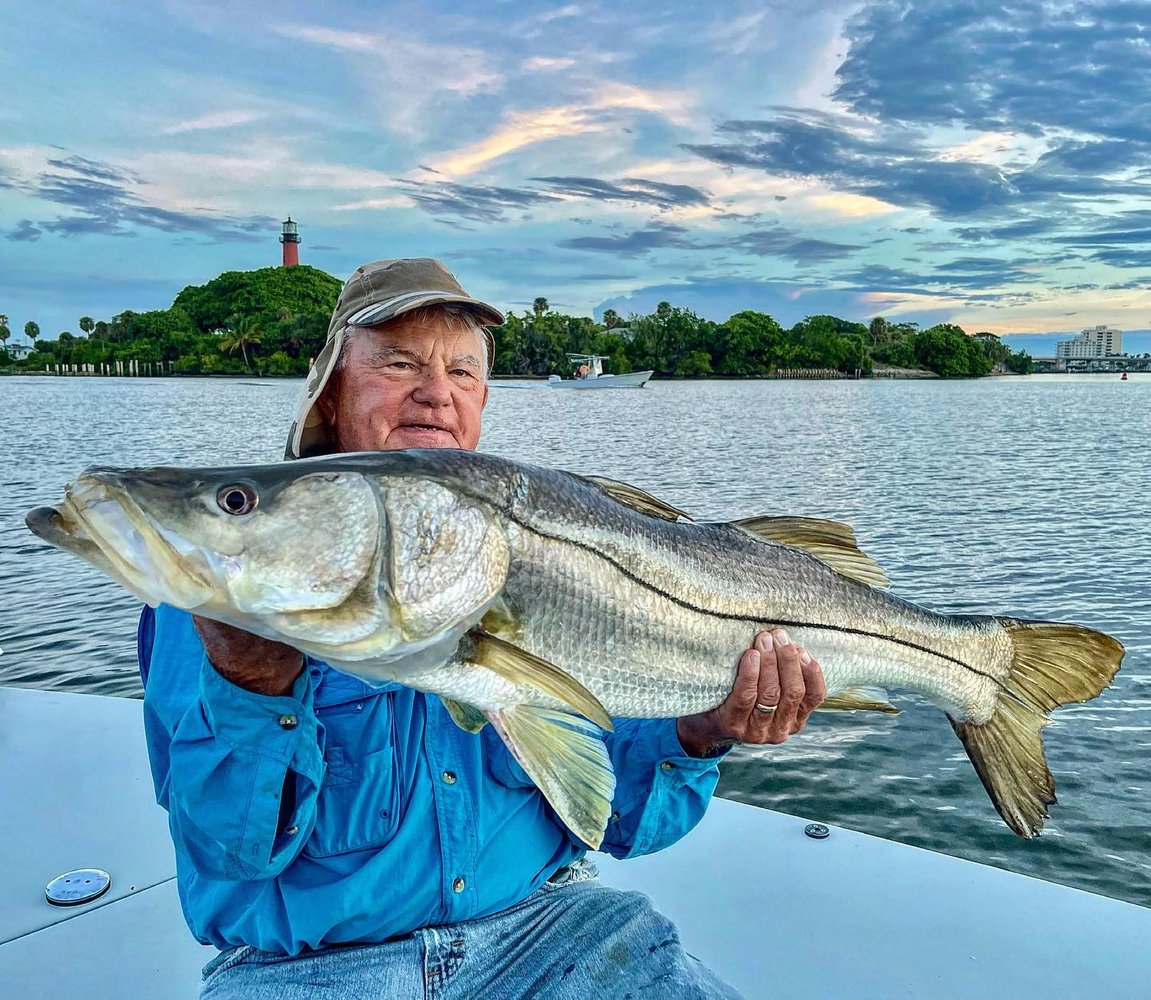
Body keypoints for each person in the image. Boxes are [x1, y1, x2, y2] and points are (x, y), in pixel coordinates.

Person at [139, 258, 827, 999]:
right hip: (311, 972)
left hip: (556, 931)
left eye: (463, 373)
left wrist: (701, 731)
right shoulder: (223, 587)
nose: (436, 393)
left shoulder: (554, 549)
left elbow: (619, 823)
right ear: (330, 390)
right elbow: (228, 849)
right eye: (399, 363)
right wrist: (251, 684)